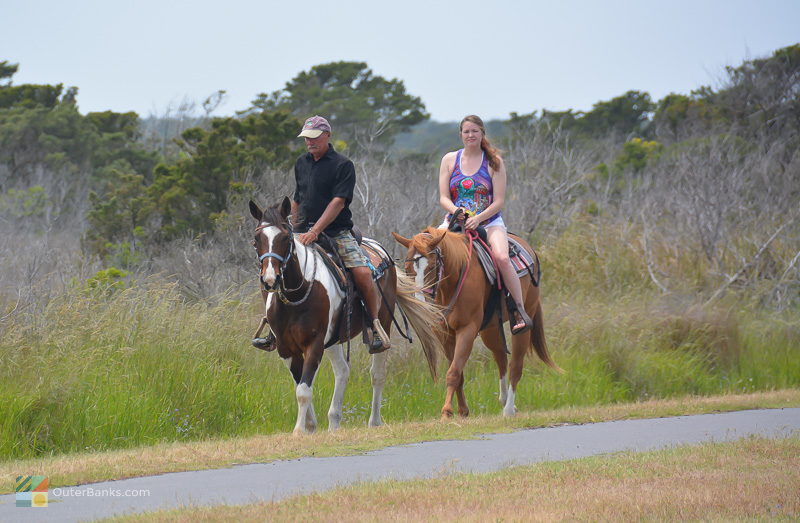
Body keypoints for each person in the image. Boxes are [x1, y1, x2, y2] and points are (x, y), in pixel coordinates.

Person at [287, 115, 391, 353]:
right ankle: (273, 325)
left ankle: (374, 325)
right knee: (278, 264)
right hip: (302, 231)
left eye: (314, 138)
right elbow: (297, 198)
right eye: (306, 138)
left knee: (363, 272)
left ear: (327, 136)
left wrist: (316, 231)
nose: (310, 142)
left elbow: (338, 202)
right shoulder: (301, 163)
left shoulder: (343, 165)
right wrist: (294, 228)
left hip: (336, 232)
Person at [437, 114, 532, 334]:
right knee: (429, 254)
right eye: (466, 131)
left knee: (501, 257)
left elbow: (499, 201)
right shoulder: (449, 160)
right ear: (461, 134)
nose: (470, 135)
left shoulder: (494, 161)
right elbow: (443, 197)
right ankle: (428, 307)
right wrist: (456, 211)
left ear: (482, 134)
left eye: (475, 131)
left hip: (489, 222)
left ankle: (518, 309)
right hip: (454, 222)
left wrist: (478, 218)